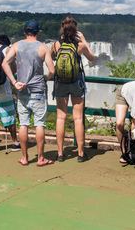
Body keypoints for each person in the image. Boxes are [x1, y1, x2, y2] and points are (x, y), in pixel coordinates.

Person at [2, 21, 55, 166]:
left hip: (22, 90)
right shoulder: (43, 47)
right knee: (39, 124)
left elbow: (4, 63)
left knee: (23, 124)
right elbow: (52, 70)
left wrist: (14, 82)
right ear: (38, 32)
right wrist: (44, 80)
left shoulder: (16, 46)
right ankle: (40, 158)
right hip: (38, 91)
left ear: (25, 32)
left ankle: (25, 158)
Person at [51, 17, 95, 163]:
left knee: (60, 118)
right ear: (75, 30)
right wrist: (84, 40)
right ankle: (81, 154)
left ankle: (60, 153)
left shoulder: (56, 44)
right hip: (76, 83)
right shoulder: (80, 45)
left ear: (62, 29)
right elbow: (92, 58)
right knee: (78, 118)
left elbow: (51, 57)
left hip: (60, 83)